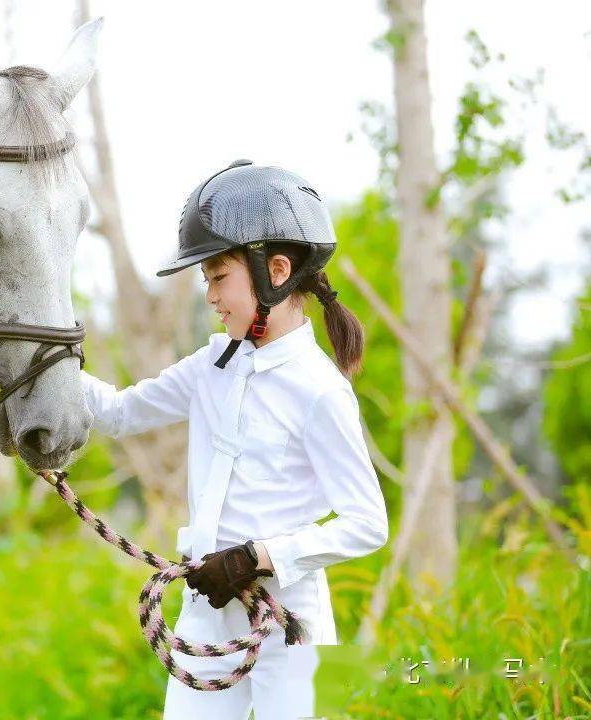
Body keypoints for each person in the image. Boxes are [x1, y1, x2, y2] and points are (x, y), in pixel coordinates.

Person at [79, 160, 390, 720]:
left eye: (219, 278)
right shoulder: (211, 366)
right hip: (207, 606)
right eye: (207, 283)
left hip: (287, 623)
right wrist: (46, 370)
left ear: (274, 271)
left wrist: (259, 557)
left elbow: (368, 523)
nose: (211, 297)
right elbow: (121, 412)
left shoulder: (321, 391)